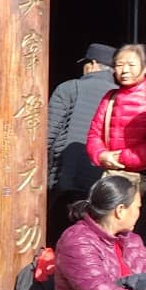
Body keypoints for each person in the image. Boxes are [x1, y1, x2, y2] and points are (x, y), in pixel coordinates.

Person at [86, 44, 146, 262]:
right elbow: (94, 134)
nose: (124, 70)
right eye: (119, 65)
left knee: (138, 230)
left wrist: (122, 157)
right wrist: (102, 155)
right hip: (115, 174)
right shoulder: (110, 97)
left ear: (145, 66)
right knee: (107, 226)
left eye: (131, 65)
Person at [48, 43, 118, 235]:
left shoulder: (70, 88)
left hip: (66, 177)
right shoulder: (119, 95)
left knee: (61, 232)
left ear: (93, 64)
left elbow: (48, 135)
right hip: (104, 178)